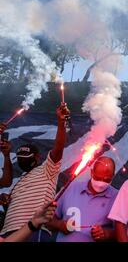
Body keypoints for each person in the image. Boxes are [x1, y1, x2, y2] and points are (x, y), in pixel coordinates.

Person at [0, 103, 69, 242]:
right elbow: (6, 184)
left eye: (27, 156)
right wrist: (7, 200)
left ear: (37, 157)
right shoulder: (18, 183)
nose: (22, 160)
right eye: (20, 157)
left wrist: (61, 122)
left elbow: (58, 149)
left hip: (34, 232)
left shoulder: (47, 170)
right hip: (7, 234)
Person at [48, 156, 118, 242]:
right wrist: (59, 225)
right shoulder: (72, 187)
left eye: (107, 180)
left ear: (113, 176)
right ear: (92, 172)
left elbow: (122, 233)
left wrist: (106, 234)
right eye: (98, 178)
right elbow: (48, 218)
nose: (101, 183)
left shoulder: (117, 197)